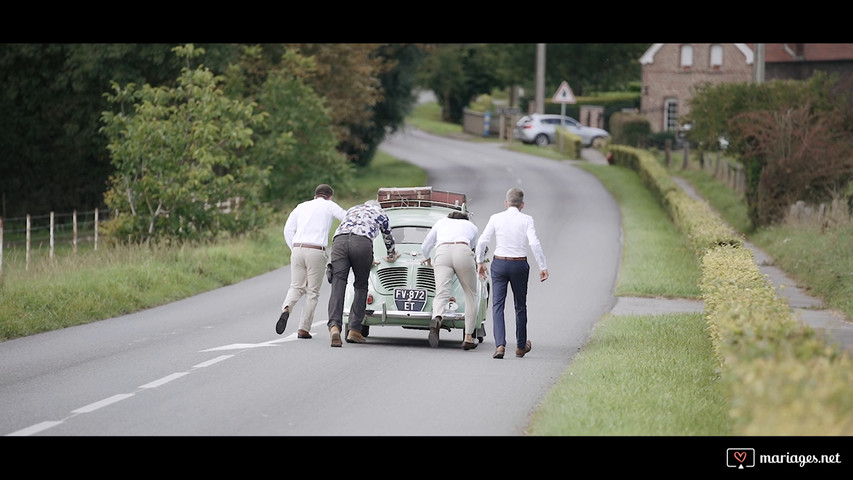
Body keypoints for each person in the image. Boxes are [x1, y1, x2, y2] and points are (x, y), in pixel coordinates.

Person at [475, 188, 549, 359]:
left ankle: (500, 345)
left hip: (499, 264)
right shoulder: (527, 220)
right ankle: (521, 346)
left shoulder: (495, 218)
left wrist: (480, 261)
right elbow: (534, 243)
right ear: (522, 204)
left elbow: (482, 240)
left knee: (497, 306)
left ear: (506, 203)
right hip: (519, 265)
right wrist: (542, 266)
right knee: (520, 306)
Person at [276, 184, 346, 338]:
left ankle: (286, 308)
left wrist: (293, 248)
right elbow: (346, 218)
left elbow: (288, 230)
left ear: (315, 195)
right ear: (330, 196)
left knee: (296, 286)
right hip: (316, 250)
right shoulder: (330, 206)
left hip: (297, 249)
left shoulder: (301, 206)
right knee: (312, 291)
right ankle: (303, 329)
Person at [327, 199, 400, 347]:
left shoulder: (353, 208)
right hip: (362, 243)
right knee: (360, 285)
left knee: (338, 283)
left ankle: (334, 326)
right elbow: (388, 237)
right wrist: (391, 255)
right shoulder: (380, 213)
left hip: (339, 242)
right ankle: (354, 330)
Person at [421, 210, 480, 350]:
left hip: (442, 252)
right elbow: (472, 246)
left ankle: (437, 317)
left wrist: (428, 258)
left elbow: (425, 246)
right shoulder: (471, 225)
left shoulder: (441, 222)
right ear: (464, 218)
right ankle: (468, 337)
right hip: (462, 250)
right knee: (471, 294)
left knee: (441, 292)